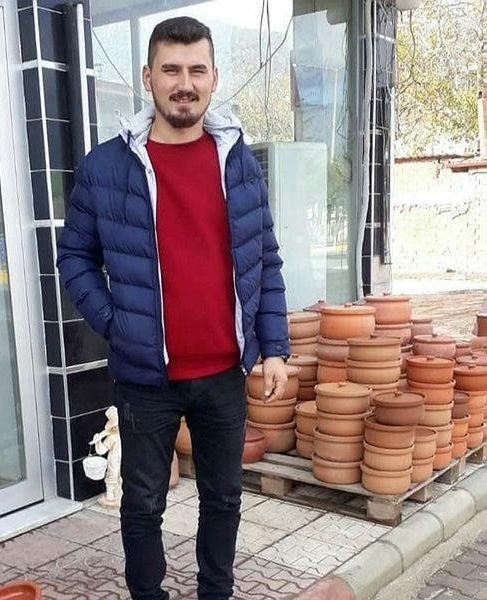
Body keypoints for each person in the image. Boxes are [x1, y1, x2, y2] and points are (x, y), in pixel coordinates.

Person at [57, 15, 289, 600]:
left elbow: (265, 258)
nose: (184, 84)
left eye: (196, 70)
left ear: (213, 78)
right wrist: (116, 325)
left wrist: (275, 348)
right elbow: (74, 258)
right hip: (145, 377)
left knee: (224, 498)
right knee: (141, 505)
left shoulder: (238, 161)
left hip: (224, 372)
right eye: (171, 70)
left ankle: (216, 592)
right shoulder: (105, 167)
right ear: (148, 78)